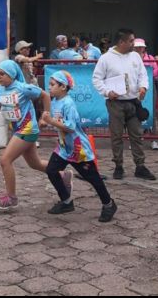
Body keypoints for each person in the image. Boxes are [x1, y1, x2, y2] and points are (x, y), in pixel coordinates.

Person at [0, 60, 70, 210]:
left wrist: (45, 116)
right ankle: (63, 175)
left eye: (3, 74)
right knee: (35, 164)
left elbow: (45, 96)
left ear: (12, 74)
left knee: (5, 160)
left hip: (28, 129)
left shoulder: (23, 88)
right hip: (17, 130)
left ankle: (11, 198)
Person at [42, 70, 117, 222]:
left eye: (52, 84)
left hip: (78, 149)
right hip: (64, 147)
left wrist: (50, 122)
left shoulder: (69, 103)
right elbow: (57, 121)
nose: (49, 87)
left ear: (63, 87)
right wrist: (45, 122)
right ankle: (66, 201)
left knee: (93, 178)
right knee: (51, 170)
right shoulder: (55, 101)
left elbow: (69, 127)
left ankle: (108, 204)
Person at [92, 28, 156, 181]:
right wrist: (108, 92)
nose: (133, 44)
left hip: (134, 102)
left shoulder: (135, 56)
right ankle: (118, 166)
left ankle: (140, 166)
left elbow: (142, 74)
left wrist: (143, 87)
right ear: (121, 42)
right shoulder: (106, 58)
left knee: (137, 135)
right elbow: (96, 79)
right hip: (115, 103)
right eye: (131, 41)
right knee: (116, 136)